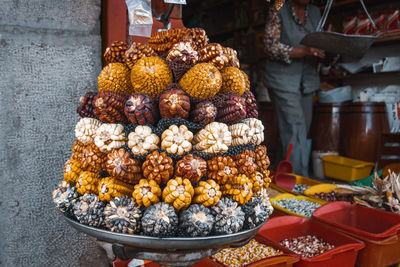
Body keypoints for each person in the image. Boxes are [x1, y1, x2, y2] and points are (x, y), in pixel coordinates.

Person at [263, 0, 325, 176]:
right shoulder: (278, 8)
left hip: (307, 79)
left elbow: (320, 41)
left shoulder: (315, 11)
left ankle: (283, 178)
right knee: (295, 126)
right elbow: (270, 47)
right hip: (282, 79)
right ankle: (298, 181)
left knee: (299, 130)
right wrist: (304, 51)